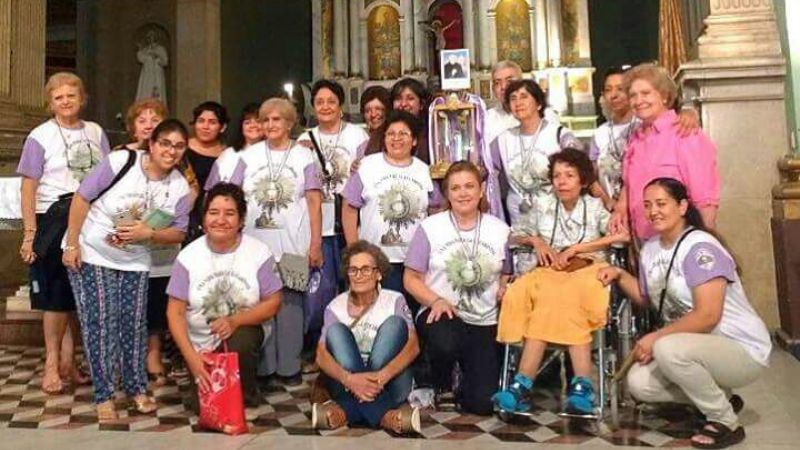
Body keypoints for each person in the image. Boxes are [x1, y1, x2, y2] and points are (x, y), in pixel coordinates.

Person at [598, 178, 771, 449]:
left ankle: (724, 420)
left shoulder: (700, 247)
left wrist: (655, 338)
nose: (653, 211)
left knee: (667, 348)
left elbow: (707, 316)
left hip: (740, 348)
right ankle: (720, 397)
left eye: (661, 203)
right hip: (692, 345)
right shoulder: (651, 249)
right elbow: (647, 297)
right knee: (640, 384)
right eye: (647, 205)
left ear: (682, 206)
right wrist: (619, 274)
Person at [63, 119, 193, 421]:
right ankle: (104, 395)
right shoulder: (122, 161)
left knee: (134, 326)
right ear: (152, 143)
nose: (170, 151)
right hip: (93, 252)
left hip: (135, 260)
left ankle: (136, 389)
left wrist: (149, 234)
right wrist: (72, 244)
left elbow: (178, 232)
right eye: (165, 143)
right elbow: (82, 198)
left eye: (178, 146)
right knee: (101, 323)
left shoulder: (178, 187)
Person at [491, 149, 629, 415]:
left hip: (588, 270)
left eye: (569, 175)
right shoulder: (542, 204)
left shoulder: (594, 207)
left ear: (582, 180)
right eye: (557, 176)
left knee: (565, 298)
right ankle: (577, 387)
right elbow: (514, 236)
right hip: (550, 271)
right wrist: (537, 241)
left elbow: (623, 236)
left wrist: (580, 248)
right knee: (542, 295)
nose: (562, 181)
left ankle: (524, 385)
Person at [17, 72, 110, 395]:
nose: (66, 101)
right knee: (55, 295)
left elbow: (107, 176)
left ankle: (71, 361)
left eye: (71, 95)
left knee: (78, 293)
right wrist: (30, 233)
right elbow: (28, 186)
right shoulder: (39, 136)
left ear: (82, 98)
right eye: (59, 97)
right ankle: (53, 363)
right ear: (50, 103)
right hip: (53, 216)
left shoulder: (96, 132)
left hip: (90, 217)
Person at [220, 98, 323, 386]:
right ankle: (264, 369)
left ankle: (289, 367)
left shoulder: (304, 157)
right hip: (255, 243)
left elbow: (314, 200)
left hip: (293, 242)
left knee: (291, 307)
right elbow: (234, 196)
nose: (270, 125)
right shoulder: (247, 156)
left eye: (277, 120)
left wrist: (315, 243)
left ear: (290, 123)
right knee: (259, 303)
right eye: (266, 120)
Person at [404, 161, 512, 415]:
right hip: (442, 314)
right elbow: (410, 278)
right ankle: (439, 380)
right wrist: (435, 301)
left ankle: (464, 378)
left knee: (482, 404)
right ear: (447, 193)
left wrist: (505, 288)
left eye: (469, 186)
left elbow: (508, 274)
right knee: (445, 341)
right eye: (455, 188)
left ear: (481, 190)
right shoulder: (430, 227)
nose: (463, 193)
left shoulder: (500, 230)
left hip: (484, 321)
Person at [166, 183, 283, 409]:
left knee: (242, 339)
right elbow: (174, 312)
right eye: (213, 213)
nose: (221, 220)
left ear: (240, 221)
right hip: (200, 346)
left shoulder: (258, 252)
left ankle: (244, 399)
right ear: (203, 218)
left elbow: (274, 302)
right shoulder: (188, 256)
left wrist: (234, 320)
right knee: (201, 406)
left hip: (241, 332)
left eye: (229, 214)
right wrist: (191, 358)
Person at [312, 240, 421, 433]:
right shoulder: (335, 306)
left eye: (365, 270)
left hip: (389, 381)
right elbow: (321, 355)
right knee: (336, 331)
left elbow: (413, 346)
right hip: (348, 385)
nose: (359, 275)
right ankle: (385, 416)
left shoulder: (394, 299)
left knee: (395, 324)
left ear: (378, 273)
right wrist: (350, 380)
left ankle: (345, 412)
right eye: (353, 270)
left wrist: (380, 377)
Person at [298, 79, 369, 361]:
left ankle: (355, 347)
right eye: (319, 102)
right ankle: (321, 348)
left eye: (331, 101)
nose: (325, 106)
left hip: (351, 222)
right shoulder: (304, 139)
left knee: (355, 284)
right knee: (319, 292)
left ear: (341, 106)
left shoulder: (358, 137)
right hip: (319, 225)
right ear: (313, 107)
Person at [610, 63, 719, 241]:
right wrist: (621, 207)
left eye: (646, 93)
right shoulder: (636, 139)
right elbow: (630, 185)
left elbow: (704, 199)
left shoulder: (685, 134)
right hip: (643, 242)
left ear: (665, 96)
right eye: (633, 95)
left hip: (680, 240)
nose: (638, 101)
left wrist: (702, 242)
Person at [342, 111, 440, 300]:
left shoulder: (425, 171)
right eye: (391, 133)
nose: (396, 138)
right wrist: (355, 249)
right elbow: (349, 208)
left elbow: (436, 210)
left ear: (413, 141)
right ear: (384, 138)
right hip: (374, 260)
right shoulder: (367, 166)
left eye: (403, 134)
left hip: (414, 263)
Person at [119, 98, 178, 386]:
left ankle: (153, 356)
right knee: (128, 307)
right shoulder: (120, 156)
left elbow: (186, 195)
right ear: (133, 127)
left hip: (161, 246)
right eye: (142, 120)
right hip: (125, 246)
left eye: (154, 120)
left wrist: (155, 224)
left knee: (155, 304)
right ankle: (128, 359)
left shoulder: (174, 156)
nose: (148, 125)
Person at [590, 67, 700, 211]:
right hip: (615, 211)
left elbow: (701, 194)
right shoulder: (601, 133)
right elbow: (593, 176)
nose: (614, 95)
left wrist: (689, 113)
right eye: (608, 89)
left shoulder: (648, 124)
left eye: (620, 89)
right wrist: (610, 203)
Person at [489, 79, 583, 226]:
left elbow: (582, 171)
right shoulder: (502, 139)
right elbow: (484, 170)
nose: (518, 102)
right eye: (513, 98)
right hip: (519, 225)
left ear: (539, 103)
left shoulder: (559, 135)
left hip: (558, 223)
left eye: (524, 96)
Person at [184, 101, 229, 242]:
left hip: (216, 215)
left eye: (212, 122)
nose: (205, 126)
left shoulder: (229, 154)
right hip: (185, 213)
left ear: (222, 127)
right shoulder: (181, 148)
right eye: (201, 121)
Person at [205, 102, 263, 188]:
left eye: (258, 121)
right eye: (247, 122)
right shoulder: (228, 154)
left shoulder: (273, 154)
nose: (253, 125)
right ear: (241, 127)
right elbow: (210, 188)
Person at [390, 78, 432, 164]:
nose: (403, 104)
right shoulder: (381, 132)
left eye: (410, 98)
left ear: (421, 104)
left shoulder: (430, 132)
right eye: (398, 98)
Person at [485, 61, 522, 146]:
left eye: (509, 81)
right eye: (497, 83)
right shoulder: (487, 119)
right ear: (493, 89)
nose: (503, 87)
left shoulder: (542, 114)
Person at [358, 86, 392, 156]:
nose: (373, 114)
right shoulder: (361, 143)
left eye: (378, 109)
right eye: (368, 111)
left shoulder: (395, 141)